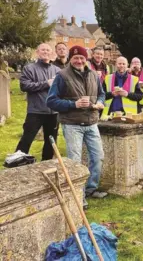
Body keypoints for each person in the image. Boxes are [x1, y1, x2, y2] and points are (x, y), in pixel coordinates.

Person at [46, 45, 107, 209]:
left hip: (92, 122)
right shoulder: (62, 76)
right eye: (75, 58)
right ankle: (78, 197)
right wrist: (74, 104)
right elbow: (51, 101)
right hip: (72, 125)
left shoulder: (94, 75)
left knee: (98, 157)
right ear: (71, 60)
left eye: (81, 58)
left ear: (86, 58)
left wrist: (100, 103)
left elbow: (102, 93)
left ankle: (91, 188)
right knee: (75, 162)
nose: (79, 61)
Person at [15, 43, 60, 161]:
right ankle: (17, 163)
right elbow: (24, 86)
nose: (45, 52)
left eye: (48, 50)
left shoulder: (57, 70)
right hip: (36, 111)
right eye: (43, 50)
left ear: (51, 53)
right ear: (37, 52)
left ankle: (47, 163)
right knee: (27, 139)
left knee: (51, 142)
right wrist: (46, 83)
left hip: (53, 112)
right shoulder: (29, 68)